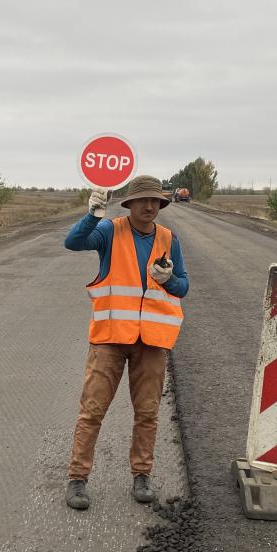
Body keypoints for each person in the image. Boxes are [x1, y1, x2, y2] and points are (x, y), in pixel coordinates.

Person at [64, 175, 189, 510]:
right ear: (130, 203)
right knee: (92, 411)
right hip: (110, 339)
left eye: (157, 202)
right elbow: (73, 242)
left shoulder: (168, 238)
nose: (150, 207)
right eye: (143, 201)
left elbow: (184, 286)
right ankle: (77, 479)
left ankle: (142, 476)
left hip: (151, 342)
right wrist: (92, 214)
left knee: (147, 413)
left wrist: (171, 279)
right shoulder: (110, 231)